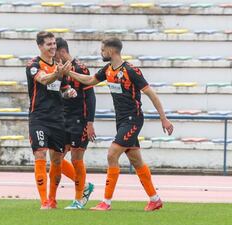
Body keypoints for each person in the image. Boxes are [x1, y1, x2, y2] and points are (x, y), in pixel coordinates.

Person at [64, 37, 174, 211]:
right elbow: (89, 80)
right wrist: (68, 72)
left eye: (102, 50)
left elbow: (151, 93)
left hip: (133, 119)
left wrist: (163, 118)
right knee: (136, 161)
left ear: (111, 51)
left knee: (112, 154)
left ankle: (106, 202)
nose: (101, 53)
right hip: (121, 121)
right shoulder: (108, 70)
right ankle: (155, 199)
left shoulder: (131, 71)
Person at [26, 32, 76, 209]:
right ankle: (43, 201)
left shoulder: (59, 65)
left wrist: (69, 92)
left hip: (57, 119)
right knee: (40, 154)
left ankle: (53, 199)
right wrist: (58, 73)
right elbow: (44, 79)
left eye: (54, 44)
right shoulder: (33, 65)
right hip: (39, 117)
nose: (53, 47)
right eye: (49, 44)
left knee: (57, 160)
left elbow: (62, 89)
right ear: (40, 46)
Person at [55, 37, 96, 210]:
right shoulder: (57, 70)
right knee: (56, 158)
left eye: (55, 53)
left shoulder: (80, 69)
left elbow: (90, 97)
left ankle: (78, 199)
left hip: (79, 120)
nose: (53, 57)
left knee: (76, 159)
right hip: (63, 119)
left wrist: (90, 122)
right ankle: (85, 186)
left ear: (63, 52)